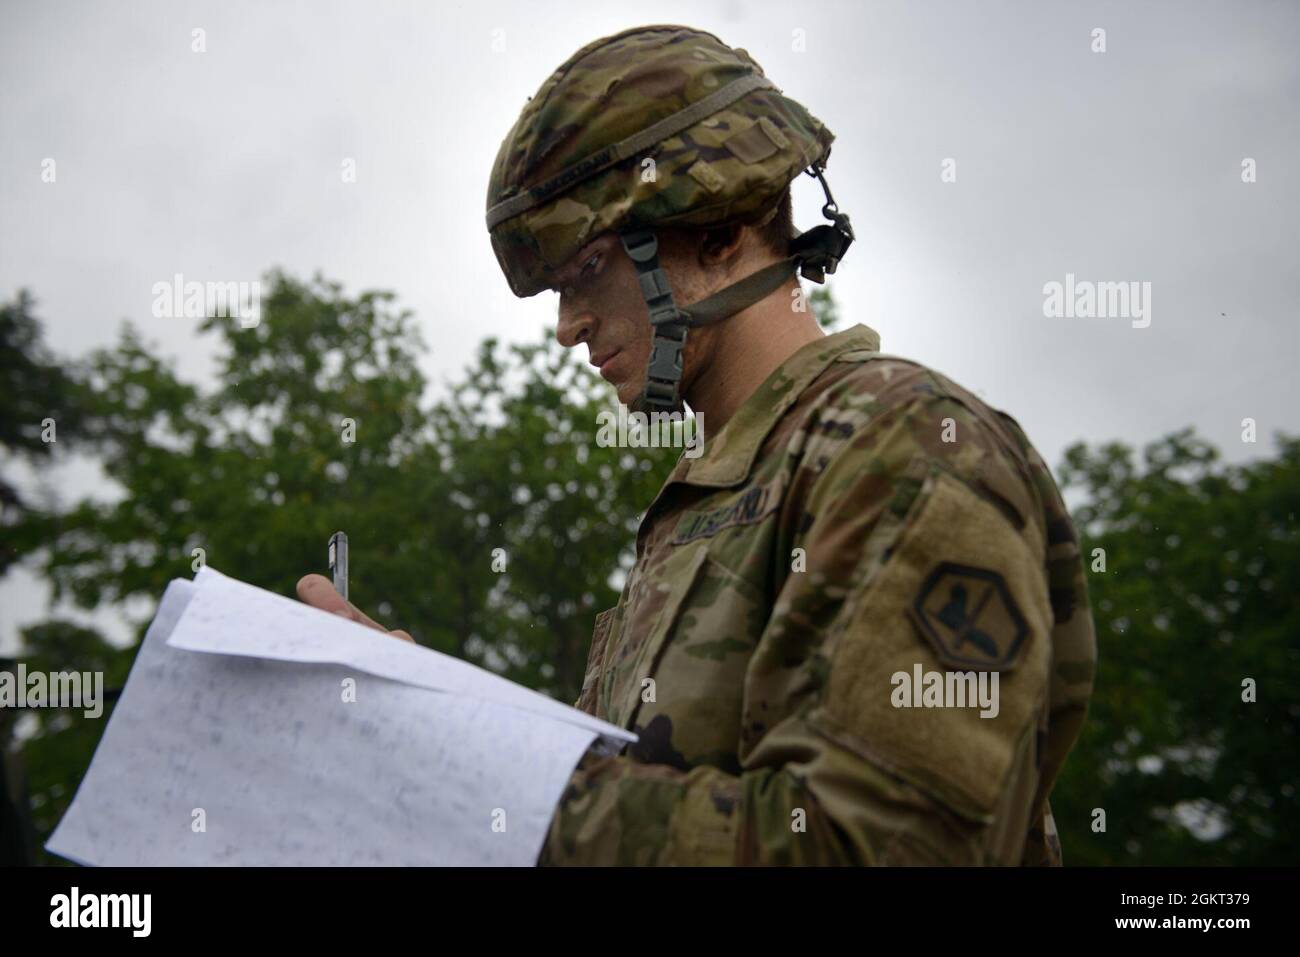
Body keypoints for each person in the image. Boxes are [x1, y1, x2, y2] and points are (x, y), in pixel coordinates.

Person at [299, 24, 1097, 865]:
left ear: (719, 229)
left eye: (589, 268)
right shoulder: (710, 500)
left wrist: (464, 756)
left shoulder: (901, 449)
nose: (568, 327)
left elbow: (872, 847)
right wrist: (425, 703)